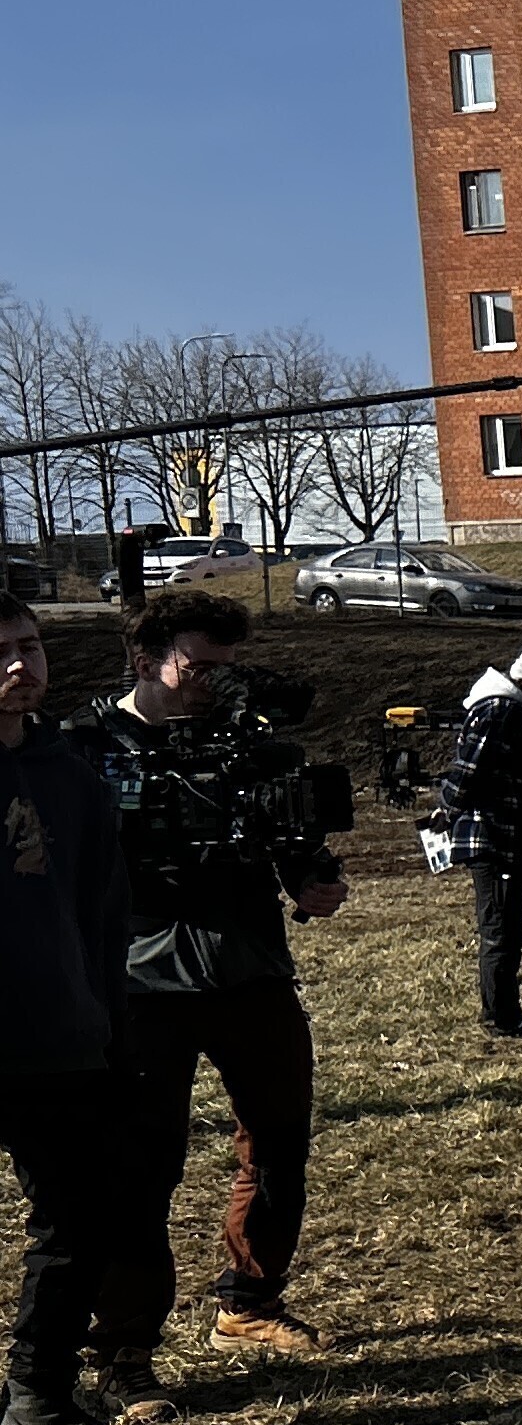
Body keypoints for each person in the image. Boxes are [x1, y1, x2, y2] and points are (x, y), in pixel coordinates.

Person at [72, 592, 349, 1384]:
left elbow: (294, 838)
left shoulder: (251, 747)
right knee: (140, 1164)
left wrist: (312, 879)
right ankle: (124, 1348)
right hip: (139, 983)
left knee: (279, 1143)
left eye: (228, 669)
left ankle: (250, 1301)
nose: (215, 685)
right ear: (145, 660)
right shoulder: (85, 749)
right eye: (199, 668)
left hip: (250, 972)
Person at [0, 593, 154, 1425]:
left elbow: (104, 913)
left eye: (29, 645)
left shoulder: (71, 775)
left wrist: (110, 1024)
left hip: (60, 1038)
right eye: (0, 651)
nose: (19, 664)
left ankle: (40, 1399)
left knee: (78, 1219)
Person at [441, 637, 522, 1040]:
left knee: (505, 927)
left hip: (502, 838)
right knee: (502, 929)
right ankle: (504, 1020)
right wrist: (447, 810)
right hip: (495, 838)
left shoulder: (507, 709)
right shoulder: (501, 711)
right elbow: (469, 769)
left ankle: (501, 1014)